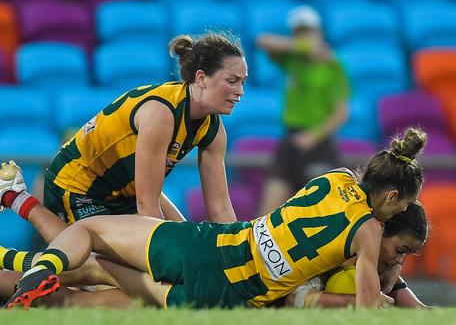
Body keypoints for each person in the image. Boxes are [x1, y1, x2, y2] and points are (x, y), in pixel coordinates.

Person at [3, 127, 427, 310]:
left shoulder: (333, 177)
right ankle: (26, 260)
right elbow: (368, 309)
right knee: (99, 276)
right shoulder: (369, 231)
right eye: (403, 205)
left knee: (89, 235)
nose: (401, 213)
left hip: (213, 246)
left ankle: (31, 266)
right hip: (231, 293)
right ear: (391, 195)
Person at [0, 32, 246, 244]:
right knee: (90, 269)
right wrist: (176, 257)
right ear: (201, 78)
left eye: (243, 82)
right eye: (232, 81)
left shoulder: (213, 129)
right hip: (76, 186)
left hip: (122, 190)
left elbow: (220, 208)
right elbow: (147, 205)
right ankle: (20, 201)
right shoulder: (162, 112)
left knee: (185, 241)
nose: (240, 92)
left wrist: (234, 255)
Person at [283, 201, 456, 309]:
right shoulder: (334, 248)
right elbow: (292, 299)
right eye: (399, 250)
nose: (400, 261)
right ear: (379, 231)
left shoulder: (384, 267)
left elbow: (421, 314)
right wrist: (358, 302)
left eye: (408, 254)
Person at [256, 5, 350, 216]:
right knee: (268, 210)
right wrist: (303, 48)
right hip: (291, 138)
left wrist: (312, 136)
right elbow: (262, 41)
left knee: (321, 212)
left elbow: (341, 113)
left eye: (308, 32)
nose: (305, 38)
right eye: (300, 33)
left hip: (319, 142)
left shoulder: (332, 66)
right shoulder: (294, 59)